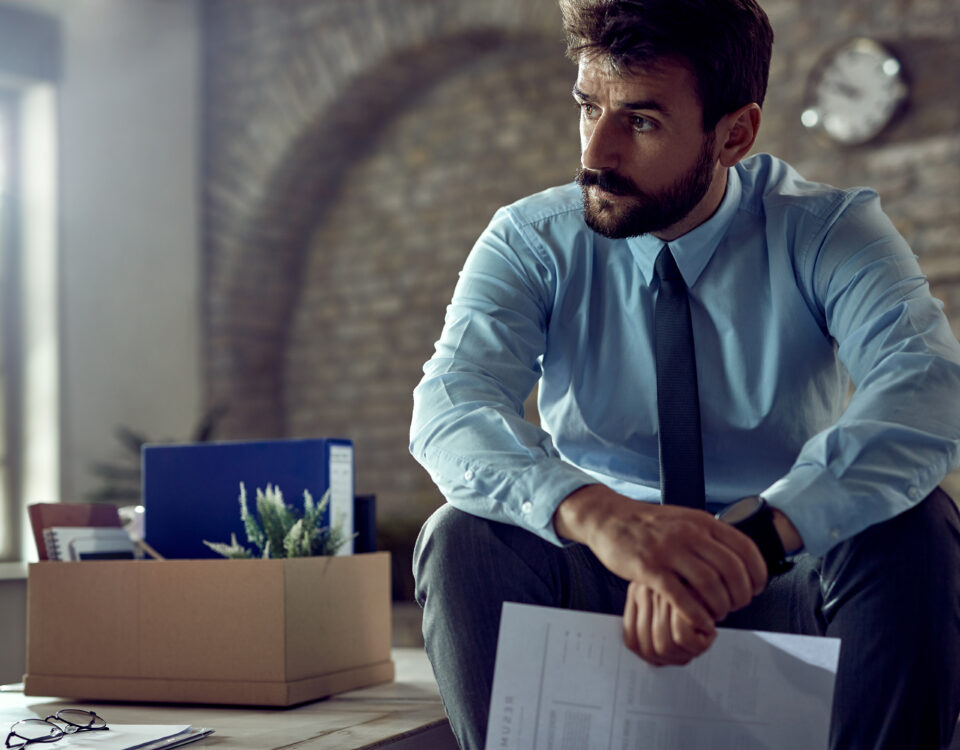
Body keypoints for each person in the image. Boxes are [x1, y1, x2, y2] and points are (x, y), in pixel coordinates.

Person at [409, 0, 960, 748]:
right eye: (587, 107)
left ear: (734, 134)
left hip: (780, 570)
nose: (594, 154)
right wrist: (609, 520)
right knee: (462, 538)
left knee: (915, 526)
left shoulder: (826, 230)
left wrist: (753, 541)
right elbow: (450, 406)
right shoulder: (531, 238)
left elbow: (928, 386)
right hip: (605, 573)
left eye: (640, 121)